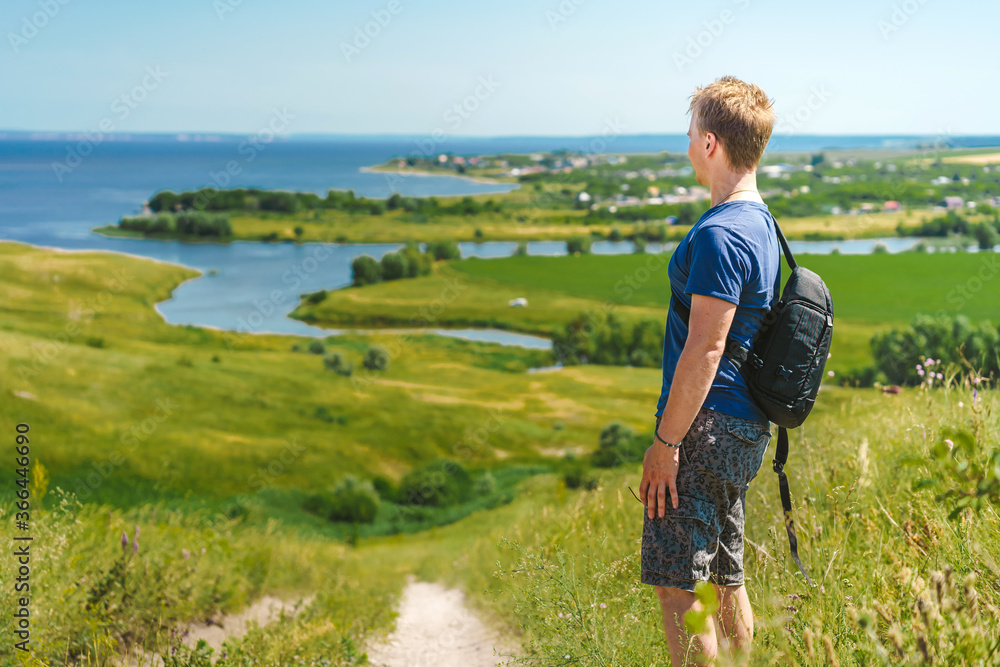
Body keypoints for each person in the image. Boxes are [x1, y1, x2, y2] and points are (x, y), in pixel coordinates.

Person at [638, 75, 779, 665]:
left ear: (712, 143)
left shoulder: (722, 234)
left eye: (691, 131)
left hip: (705, 426)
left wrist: (666, 442)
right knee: (725, 578)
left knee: (680, 589)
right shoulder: (762, 223)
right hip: (743, 428)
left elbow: (705, 349)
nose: (687, 143)